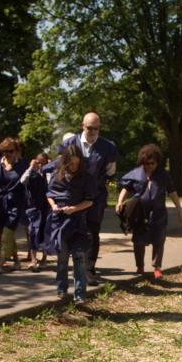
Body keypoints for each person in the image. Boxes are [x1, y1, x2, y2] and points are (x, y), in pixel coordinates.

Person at [58, 112, 117, 283]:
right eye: (89, 128)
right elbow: (60, 168)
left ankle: (89, 269)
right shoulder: (68, 144)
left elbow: (110, 172)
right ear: (82, 125)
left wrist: (97, 186)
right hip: (72, 195)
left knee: (92, 231)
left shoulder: (108, 147)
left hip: (95, 196)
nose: (92, 132)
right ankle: (69, 268)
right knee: (70, 230)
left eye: (96, 129)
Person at [116, 143, 182, 279]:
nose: (149, 166)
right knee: (138, 242)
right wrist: (119, 202)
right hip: (140, 214)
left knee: (159, 240)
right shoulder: (136, 173)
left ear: (157, 162)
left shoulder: (163, 175)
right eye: (146, 163)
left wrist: (179, 210)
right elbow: (126, 188)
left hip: (158, 214)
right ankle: (140, 266)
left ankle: (157, 267)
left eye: (152, 163)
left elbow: (172, 192)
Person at [44, 143, 98, 303]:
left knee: (79, 258)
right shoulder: (57, 174)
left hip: (77, 223)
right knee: (62, 258)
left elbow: (90, 201)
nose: (74, 166)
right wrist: (54, 206)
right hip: (59, 223)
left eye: (77, 163)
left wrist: (74, 208)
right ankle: (61, 288)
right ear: (65, 161)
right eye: (71, 163)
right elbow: (50, 194)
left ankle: (80, 294)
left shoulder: (86, 177)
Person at [0, 137, 28, 273]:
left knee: (6, 233)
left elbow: (28, 182)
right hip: (1, 203)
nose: (7, 154)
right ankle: (16, 261)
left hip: (16, 203)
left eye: (11, 151)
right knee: (8, 233)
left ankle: (1, 264)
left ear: (17, 151)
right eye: (5, 151)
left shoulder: (23, 164)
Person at [21, 152, 50, 271]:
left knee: (45, 232)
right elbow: (22, 181)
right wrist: (30, 167)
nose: (41, 165)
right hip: (33, 207)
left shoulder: (48, 174)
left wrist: (49, 168)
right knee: (33, 232)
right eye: (39, 162)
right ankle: (33, 259)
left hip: (46, 207)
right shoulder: (31, 173)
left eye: (44, 163)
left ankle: (44, 258)